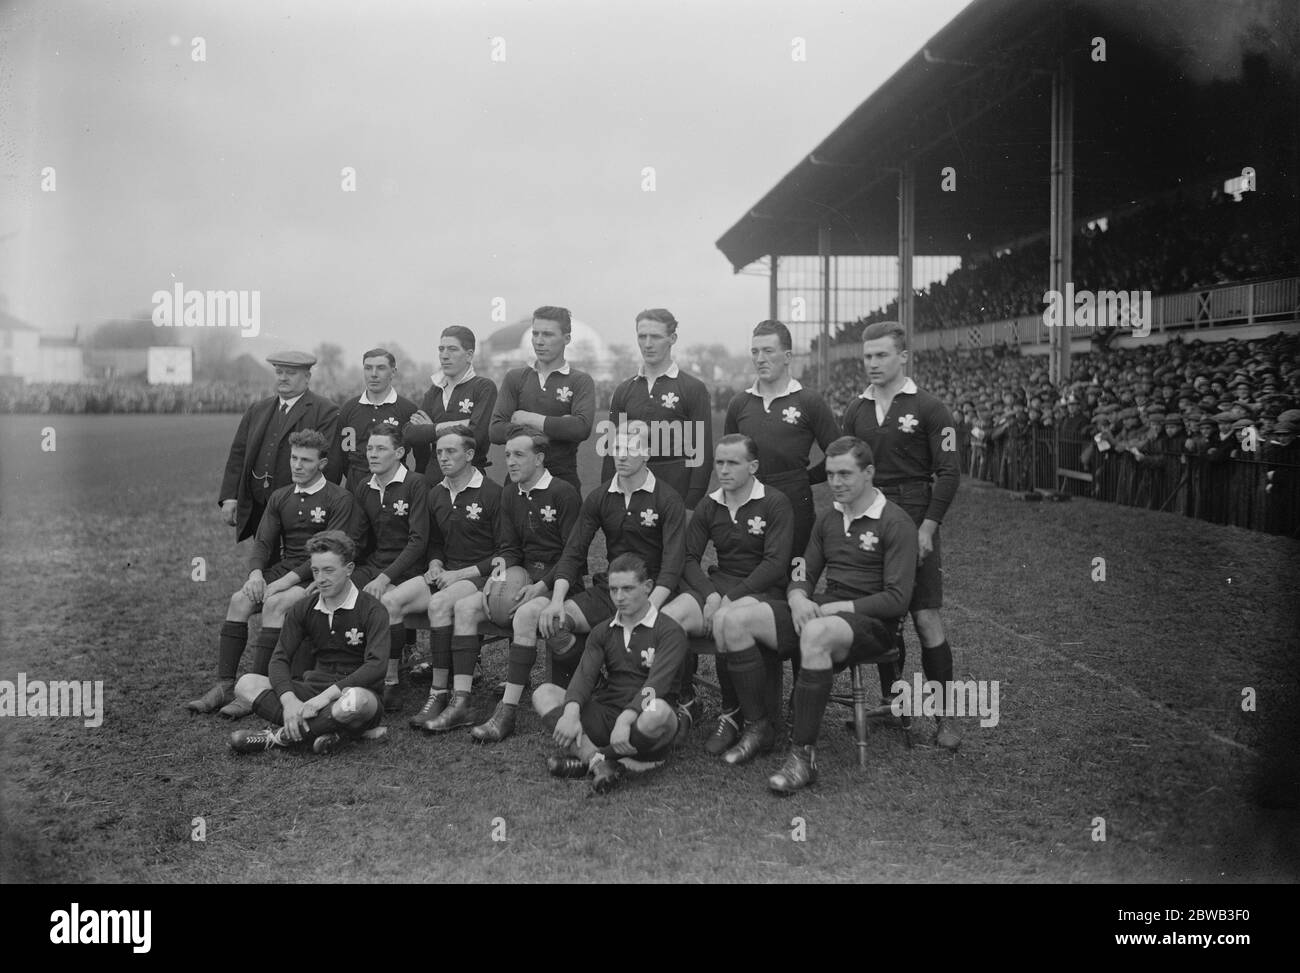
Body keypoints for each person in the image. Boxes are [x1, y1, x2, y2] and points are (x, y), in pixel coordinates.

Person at [714, 319, 838, 749]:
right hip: (751, 506)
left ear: (788, 355)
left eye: (769, 351)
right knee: (758, 596)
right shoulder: (740, 403)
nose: (761, 359)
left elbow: (839, 451)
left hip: (796, 506)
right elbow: (730, 453)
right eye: (755, 351)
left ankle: (798, 703)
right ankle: (757, 707)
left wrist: (806, 479)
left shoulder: (808, 400)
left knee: (794, 595)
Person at [840, 321, 962, 749]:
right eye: (867, 356)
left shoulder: (931, 408)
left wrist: (928, 528)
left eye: (882, 355)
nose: (873, 363)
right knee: (879, 617)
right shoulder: (855, 410)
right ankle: (895, 705)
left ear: (903, 356)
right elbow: (846, 470)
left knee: (925, 617)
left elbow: (948, 472)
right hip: (870, 517)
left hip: (913, 514)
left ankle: (946, 718)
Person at [188, 430, 356, 717]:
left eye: (306, 460)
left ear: (323, 464)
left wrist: (283, 583)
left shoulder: (339, 498)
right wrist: (256, 574)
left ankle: (254, 690)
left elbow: (332, 549)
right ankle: (225, 685)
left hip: (316, 575)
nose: (297, 466)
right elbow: (264, 542)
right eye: (293, 458)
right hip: (283, 570)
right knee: (239, 600)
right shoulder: (280, 496)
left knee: (275, 604)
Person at [521, 427, 686, 705]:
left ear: (646, 453)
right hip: (612, 590)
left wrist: (650, 610)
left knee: (654, 635)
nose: (622, 456)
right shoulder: (600, 496)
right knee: (554, 623)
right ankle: (598, 683)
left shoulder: (667, 499)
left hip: (655, 592)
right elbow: (573, 552)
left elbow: (673, 564)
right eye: (617, 449)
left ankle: (678, 698)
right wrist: (557, 600)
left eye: (631, 449)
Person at [662, 435, 793, 756]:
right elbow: (688, 558)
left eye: (732, 463)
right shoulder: (711, 503)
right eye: (719, 462)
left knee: (725, 620)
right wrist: (709, 595)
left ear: (753, 466)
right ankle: (685, 702)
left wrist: (728, 598)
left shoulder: (775, 502)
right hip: (719, 589)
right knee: (667, 619)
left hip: (763, 591)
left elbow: (775, 564)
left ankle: (735, 714)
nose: (723, 469)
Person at [460, 426, 582, 742]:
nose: (510, 462)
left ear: (540, 458)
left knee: (527, 616)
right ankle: (459, 700)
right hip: (520, 579)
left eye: (519, 455)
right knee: (465, 607)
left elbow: (574, 555)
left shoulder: (563, 492)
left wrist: (540, 588)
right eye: (507, 455)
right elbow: (509, 548)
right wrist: (496, 578)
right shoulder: (510, 492)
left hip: (559, 585)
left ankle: (507, 710)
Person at [532, 553, 687, 794]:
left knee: (658, 711)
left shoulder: (670, 631)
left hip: (645, 722)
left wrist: (626, 719)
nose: (619, 597)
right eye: (614, 590)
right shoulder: (603, 631)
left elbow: (656, 685)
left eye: (627, 589)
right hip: (607, 715)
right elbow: (584, 676)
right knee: (544, 693)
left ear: (647, 587)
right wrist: (571, 712)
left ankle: (593, 759)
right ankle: (602, 763)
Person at [381, 426, 502, 732]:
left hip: (478, 575)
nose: (444, 458)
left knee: (438, 604)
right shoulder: (436, 492)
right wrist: (435, 563)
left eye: (451, 452)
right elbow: (433, 541)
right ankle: (391, 683)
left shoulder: (493, 493)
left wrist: (459, 573)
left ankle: (439, 693)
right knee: (391, 601)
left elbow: (505, 552)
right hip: (444, 573)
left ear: (470, 454)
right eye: (439, 453)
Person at [227, 531, 389, 756]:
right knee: (246, 684)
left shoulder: (372, 609)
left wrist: (325, 697)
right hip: (310, 690)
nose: (320, 578)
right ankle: (335, 731)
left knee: (355, 701)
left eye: (329, 570)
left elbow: (376, 666)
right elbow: (279, 659)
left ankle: (276, 738)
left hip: (355, 693)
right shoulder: (303, 608)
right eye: (315, 571)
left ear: (349, 569)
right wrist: (290, 700)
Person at [218, 351, 340, 542]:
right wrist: (230, 498)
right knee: (262, 559)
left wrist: (313, 503)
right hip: (258, 505)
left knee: (296, 561)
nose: (283, 378)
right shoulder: (258, 409)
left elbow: (329, 464)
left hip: (300, 508)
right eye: (279, 372)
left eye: (290, 373)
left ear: (307, 377)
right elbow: (238, 454)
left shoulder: (325, 411)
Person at [600, 308, 713, 510]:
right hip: (631, 492)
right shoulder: (624, 390)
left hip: (677, 492)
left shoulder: (692, 388)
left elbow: (701, 452)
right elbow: (610, 450)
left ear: (672, 338)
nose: (648, 344)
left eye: (656, 337)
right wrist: (608, 498)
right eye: (642, 336)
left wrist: (690, 503)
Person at [351, 424, 430, 711]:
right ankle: (347, 672)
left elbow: (418, 541)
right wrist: (340, 569)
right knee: (336, 591)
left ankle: (391, 680)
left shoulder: (415, 483)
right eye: (370, 448)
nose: (372, 454)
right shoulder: (364, 485)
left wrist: (386, 578)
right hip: (375, 566)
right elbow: (358, 539)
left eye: (380, 448)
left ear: (399, 453)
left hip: (410, 570)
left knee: (386, 601)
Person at [489, 306, 596, 494]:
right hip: (518, 481)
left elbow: (581, 428)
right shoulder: (515, 378)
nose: (539, 341)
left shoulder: (580, 381)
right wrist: (556, 427)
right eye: (535, 334)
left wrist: (527, 418)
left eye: (547, 334)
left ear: (567, 338)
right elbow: (496, 431)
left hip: (563, 480)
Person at [403, 326, 498, 477]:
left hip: (470, 478)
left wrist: (430, 430)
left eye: (452, 349)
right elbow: (410, 433)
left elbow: (477, 436)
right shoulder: (435, 390)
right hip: (434, 481)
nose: (444, 355)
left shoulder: (484, 387)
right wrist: (460, 425)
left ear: (469, 355)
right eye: (441, 349)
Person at [335, 348, 420, 491]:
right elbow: (343, 454)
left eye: (381, 368)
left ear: (393, 372)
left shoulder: (408, 410)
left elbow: (421, 455)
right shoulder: (348, 409)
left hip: (396, 488)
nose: (373, 374)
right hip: (356, 487)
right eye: (368, 368)